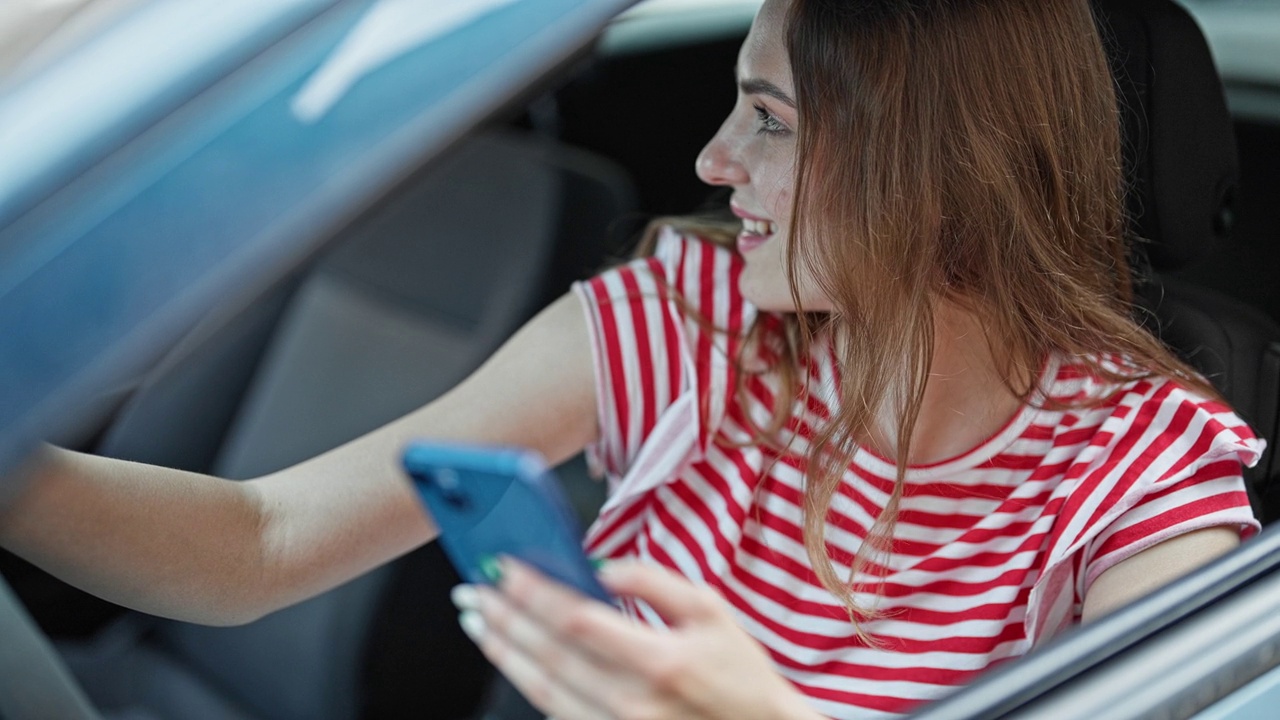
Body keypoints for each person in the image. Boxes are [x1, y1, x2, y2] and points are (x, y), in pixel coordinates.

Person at [0, 0, 1263, 718]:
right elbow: (261, 546)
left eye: (765, 120)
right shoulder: (687, 317)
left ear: (928, 163)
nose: (712, 163)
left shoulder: (1138, 464)